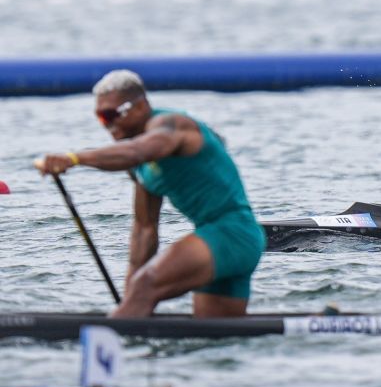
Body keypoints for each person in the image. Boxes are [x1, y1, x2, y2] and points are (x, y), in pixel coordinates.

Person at [38, 69, 265, 318]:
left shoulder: (172, 126)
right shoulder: (141, 166)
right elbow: (144, 229)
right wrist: (131, 299)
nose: (108, 125)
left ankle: (118, 350)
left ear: (141, 105)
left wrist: (73, 158)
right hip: (227, 242)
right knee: (214, 338)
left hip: (230, 232)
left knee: (147, 284)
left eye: (112, 115)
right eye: (101, 118)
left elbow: (137, 150)